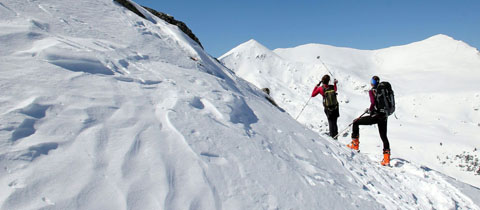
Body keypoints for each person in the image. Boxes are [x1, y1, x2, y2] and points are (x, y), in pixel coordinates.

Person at [347, 76, 391, 166]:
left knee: (356, 122)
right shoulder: (383, 91)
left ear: (372, 83)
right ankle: (386, 158)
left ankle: (355, 144)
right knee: (384, 136)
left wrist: (370, 110)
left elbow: (373, 103)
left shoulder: (372, 91)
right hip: (384, 116)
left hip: (375, 116)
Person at [311, 75, 339, 139]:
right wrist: (335, 83)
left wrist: (316, 86)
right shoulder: (332, 87)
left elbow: (313, 95)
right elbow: (335, 89)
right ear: (329, 81)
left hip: (328, 108)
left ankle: (332, 136)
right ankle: (336, 135)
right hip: (335, 107)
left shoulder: (321, 88)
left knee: (330, 121)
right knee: (335, 121)